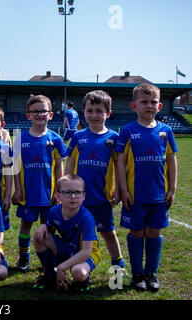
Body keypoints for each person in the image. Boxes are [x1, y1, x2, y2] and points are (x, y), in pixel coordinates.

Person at [115, 83, 178, 292]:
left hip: (159, 196)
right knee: (136, 233)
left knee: (154, 233)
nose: (149, 106)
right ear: (134, 106)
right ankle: (137, 274)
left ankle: (151, 273)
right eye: (144, 102)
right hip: (135, 195)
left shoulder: (166, 131)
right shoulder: (128, 131)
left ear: (160, 105)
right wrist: (123, 190)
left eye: (153, 102)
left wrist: (172, 189)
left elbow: (171, 160)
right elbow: (120, 162)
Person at [65, 90, 129, 285]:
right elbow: (71, 162)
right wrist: (64, 187)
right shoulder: (78, 136)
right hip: (78, 199)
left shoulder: (114, 137)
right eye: (89, 110)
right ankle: (83, 270)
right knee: (81, 235)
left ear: (108, 113)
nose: (94, 115)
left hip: (102, 198)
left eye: (99, 111)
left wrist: (118, 189)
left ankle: (118, 273)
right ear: (83, 112)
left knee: (108, 233)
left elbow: (119, 166)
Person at [11, 94, 66, 273]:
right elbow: (16, 166)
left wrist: (59, 191)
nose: (39, 114)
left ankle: (50, 259)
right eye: (35, 111)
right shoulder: (20, 138)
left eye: (43, 111)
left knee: (49, 226)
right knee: (25, 226)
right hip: (28, 194)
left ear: (50, 114)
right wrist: (17, 189)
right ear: (28, 115)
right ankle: (24, 257)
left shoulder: (56, 138)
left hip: (49, 195)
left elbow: (59, 166)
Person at [32, 174, 101, 293]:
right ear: (58, 196)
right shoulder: (54, 211)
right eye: (67, 193)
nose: (73, 196)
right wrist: (44, 226)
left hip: (87, 254)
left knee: (78, 272)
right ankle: (50, 275)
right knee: (39, 237)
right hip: (67, 248)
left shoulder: (87, 218)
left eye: (78, 192)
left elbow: (86, 252)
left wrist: (61, 267)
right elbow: (49, 231)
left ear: (84, 196)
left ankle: (82, 282)